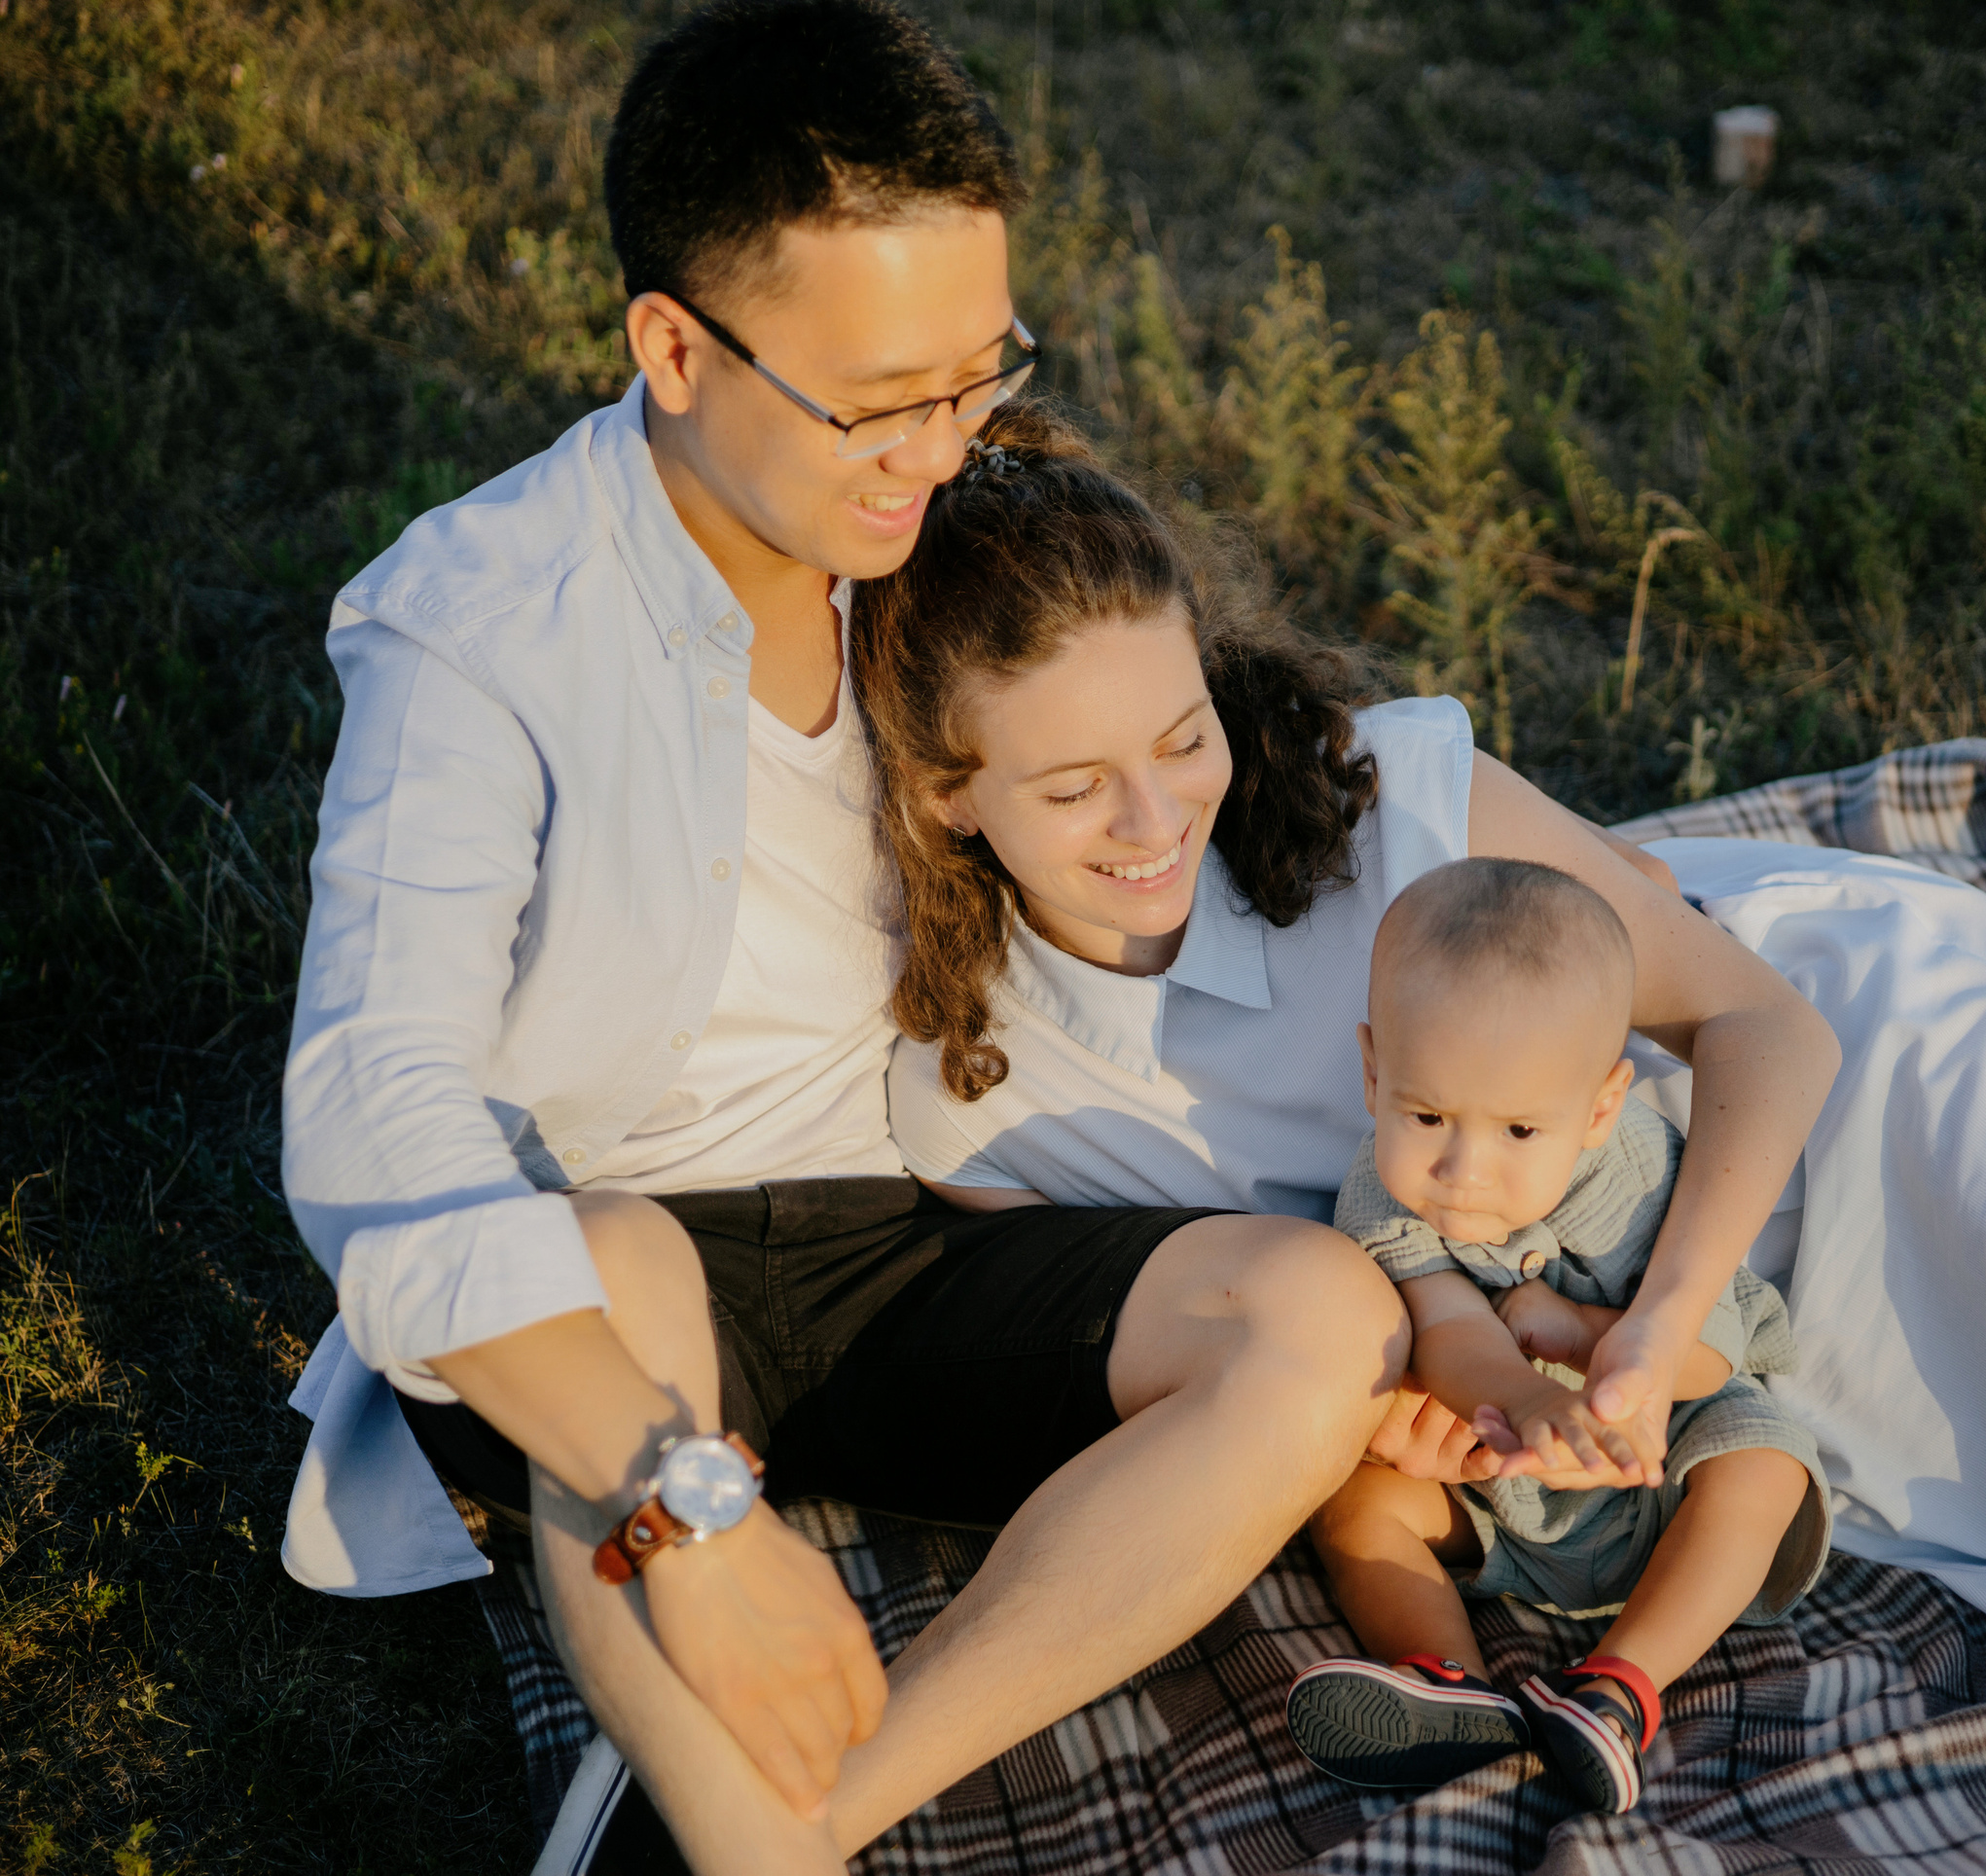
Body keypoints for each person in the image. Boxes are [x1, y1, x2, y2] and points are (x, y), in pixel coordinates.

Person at [276, 6, 1487, 1869]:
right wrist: (688, 1505)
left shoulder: (933, 536)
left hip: (916, 1233)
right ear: (673, 347)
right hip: (618, 1281)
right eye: (877, 400)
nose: (939, 447)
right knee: (614, 1255)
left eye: (975, 371)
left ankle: (818, 1815)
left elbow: (1159, 707)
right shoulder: (478, 624)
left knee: (1320, 1311)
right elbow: (371, 1115)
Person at [860, 407, 1986, 1774]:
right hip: (1536, 1290)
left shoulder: (1379, 798)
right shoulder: (975, 1100)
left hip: (1811, 1091)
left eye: (1184, 735)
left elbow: (1760, 1021)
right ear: (947, 798)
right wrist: (1467, 1387)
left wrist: (1655, 1334)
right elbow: (1207, 1367)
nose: (1160, 820)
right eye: (1076, 787)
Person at [1282, 857, 1831, 1816]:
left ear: (1601, 1105)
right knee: (1358, 1495)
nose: (1463, 1168)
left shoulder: (1644, 1178)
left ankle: (1617, 1689)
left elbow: (1709, 1351)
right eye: (1426, 1114)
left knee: (1765, 1462)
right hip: (1492, 1489)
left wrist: (1586, 1338)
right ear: (1373, 1071)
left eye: (1518, 1131)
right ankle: (1450, 1687)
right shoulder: (1377, 1192)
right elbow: (1448, 1326)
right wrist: (1531, 1403)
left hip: (1656, 1477)